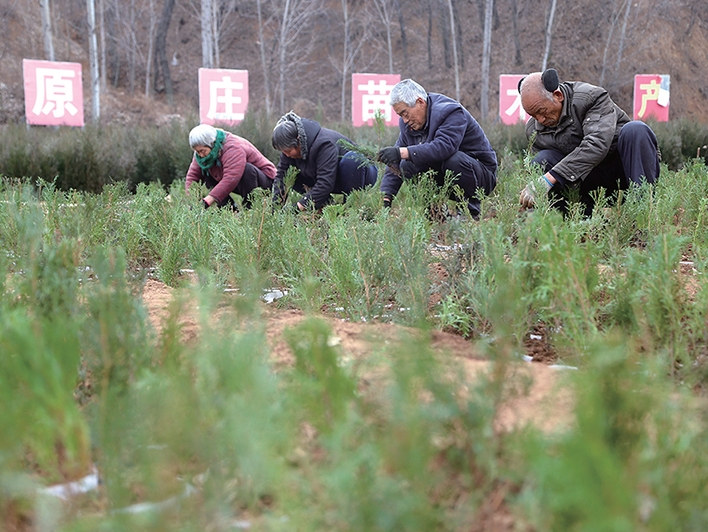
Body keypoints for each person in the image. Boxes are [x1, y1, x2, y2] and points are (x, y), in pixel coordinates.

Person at [518, 69, 661, 215]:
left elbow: (596, 144)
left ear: (558, 95)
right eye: (533, 115)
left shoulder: (591, 98)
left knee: (636, 130)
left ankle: (643, 214)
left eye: (542, 111)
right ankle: (577, 223)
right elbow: (541, 172)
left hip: (621, 172)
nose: (540, 120)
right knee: (541, 160)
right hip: (585, 182)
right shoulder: (534, 129)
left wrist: (550, 178)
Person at [377, 79, 498, 219]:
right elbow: (396, 161)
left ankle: (469, 214)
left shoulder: (450, 111)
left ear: (420, 102)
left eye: (405, 113)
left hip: (480, 176)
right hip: (446, 175)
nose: (404, 120)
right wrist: (386, 197)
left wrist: (402, 153)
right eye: (400, 116)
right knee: (407, 164)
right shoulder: (408, 124)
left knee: (453, 159)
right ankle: (435, 214)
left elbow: (444, 147)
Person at [271, 111, 378, 212]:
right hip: (332, 178)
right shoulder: (289, 150)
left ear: (298, 140)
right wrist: (276, 211)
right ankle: (325, 203)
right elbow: (281, 178)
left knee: (352, 159)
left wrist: (299, 207)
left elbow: (325, 183)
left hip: (361, 173)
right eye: (283, 152)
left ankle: (352, 209)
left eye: (288, 151)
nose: (287, 155)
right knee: (291, 175)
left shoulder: (324, 144)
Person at [185, 124, 276, 209]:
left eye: (202, 151)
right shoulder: (202, 153)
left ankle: (250, 209)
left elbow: (231, 178)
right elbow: (192, 176)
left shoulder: (232, 147)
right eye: (197, 152)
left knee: (247, 169)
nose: (200, 155)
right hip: (239, 183)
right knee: (207, 173)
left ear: (212, 144)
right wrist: (192, 200)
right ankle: (228, 209)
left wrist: (207, 201)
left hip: (265, 181)